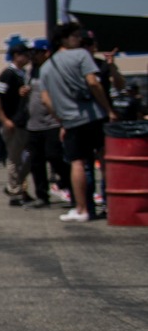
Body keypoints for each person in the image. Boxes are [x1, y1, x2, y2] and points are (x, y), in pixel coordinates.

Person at [42, 21, 117, 221]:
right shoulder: (82, 55)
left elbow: (45, 99)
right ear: (64, 38)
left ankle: (82, 209)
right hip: (94, 115)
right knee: (105, 159)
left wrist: (61, 119)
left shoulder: (47, 66)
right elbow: (93, 82)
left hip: (70, 121)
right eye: (75, 36)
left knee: (78, 163)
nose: (79, 39)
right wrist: (108, 108)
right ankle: (114, 205)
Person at [0, 41, 33, 204]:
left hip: (24, 123)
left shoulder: (24, 74)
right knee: (15, 159)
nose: (29, 57)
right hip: (14, 123)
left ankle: (18, 187)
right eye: (25, 54)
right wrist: (4, 119)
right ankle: (15, 190)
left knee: (27, 157)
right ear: (16, 56)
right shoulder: (8, 74)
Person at [22, 38, 63, 209]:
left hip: (53, 122)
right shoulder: (31, 71)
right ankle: (42, 196)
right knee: (36, 162)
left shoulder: (54, 70)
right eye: (30, 53)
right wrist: (23, 91)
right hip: (34, 124)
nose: (32, 56)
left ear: (46, 52)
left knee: (56, 157)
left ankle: (69, 187)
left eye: (35, 53)